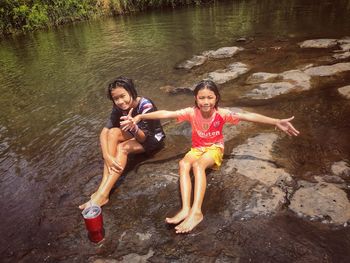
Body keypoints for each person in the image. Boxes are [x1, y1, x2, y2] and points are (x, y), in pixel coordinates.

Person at [120, 79, 299, 234]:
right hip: (197, 148)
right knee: (183, 164)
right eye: (201, 97)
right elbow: (167, 113)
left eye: (210, 97)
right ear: (196, 99)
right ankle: (185, 209)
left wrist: (276, 121)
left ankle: (197, 211)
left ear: (216, 98)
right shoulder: (191, 112)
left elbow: (248, 116)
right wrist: (141, 116)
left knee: (198, 166)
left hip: (215, 148)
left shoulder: (222, 114)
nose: (206, 102)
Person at [79, 76, 165, 210]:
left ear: (131, 91)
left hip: (152, 138)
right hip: (135, 133)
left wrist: (133, 127)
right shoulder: (118, 107)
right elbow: (104, 133)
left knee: (122, 147)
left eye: (123, 96)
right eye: (116, 98)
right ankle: (103, 189)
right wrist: (107, 156)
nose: (120, 101)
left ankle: (102, 194)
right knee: (113, 132)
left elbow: (143, 138)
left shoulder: (146, 106)